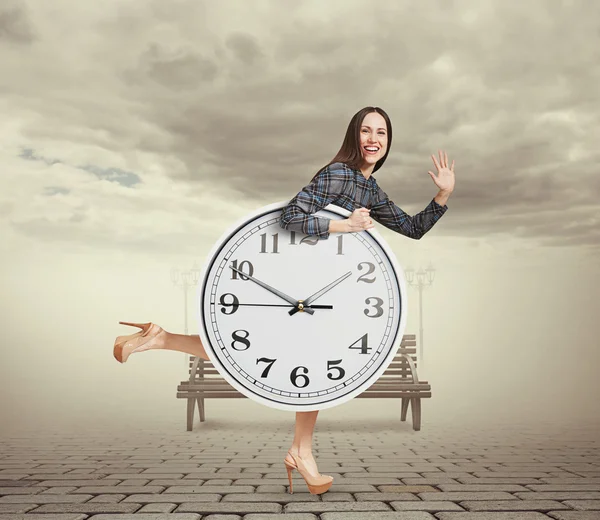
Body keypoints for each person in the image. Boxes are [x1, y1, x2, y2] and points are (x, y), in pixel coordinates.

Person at [113, 106, 455, 495]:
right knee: (304, 365)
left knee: (274, 357)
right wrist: (343, 225)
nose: (373, 139)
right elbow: (291, 216)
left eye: (381, 133)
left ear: (388, 142)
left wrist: (442, 193)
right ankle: (300, 451)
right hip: (294, 276)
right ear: (353, 136)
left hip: (313, 281)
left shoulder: (369, 187)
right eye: (366, 131)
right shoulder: (338, 174)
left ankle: (160, 338)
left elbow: (411, 229)